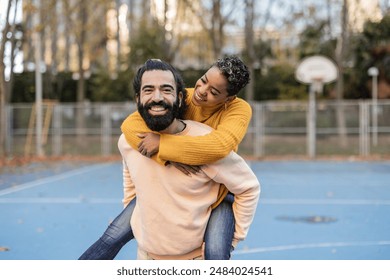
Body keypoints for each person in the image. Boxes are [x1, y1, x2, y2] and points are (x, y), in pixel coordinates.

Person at [79, 55, 252, 260]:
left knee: (216, 252)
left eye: (214, 92)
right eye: (204, 80)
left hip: (220, 192)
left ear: (229, 98)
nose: (202, 91)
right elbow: (130, 126)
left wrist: (164, 145)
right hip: (173, 185)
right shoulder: (184, 97)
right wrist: (165, 156)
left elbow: (220, 146)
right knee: (111, 236)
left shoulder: (238, 109)